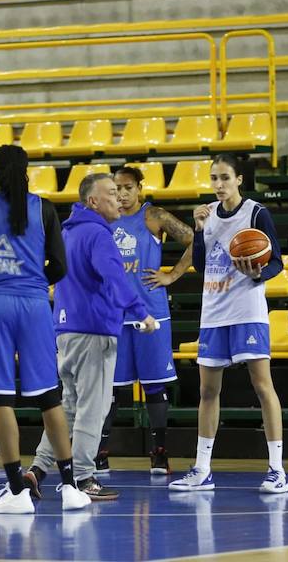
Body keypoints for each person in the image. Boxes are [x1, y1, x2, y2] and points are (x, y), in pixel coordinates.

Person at [0, 145, 90, 514]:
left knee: (2, 398)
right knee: (49, 396)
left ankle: (17, 492)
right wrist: (32, 279)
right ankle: (69, 488)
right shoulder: (44, 208)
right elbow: (60, 266)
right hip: (34, 305)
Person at [24, 172, 157, 501]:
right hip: (94, 330)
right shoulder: (99, 234)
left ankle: (37, 470)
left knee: (68, 408)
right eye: (111, 193)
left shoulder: (69, 232)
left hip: (66, 330)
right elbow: (115, 275)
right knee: (93, 409)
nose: (119, 198)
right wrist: (142, 312)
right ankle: (82, 477)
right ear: (93, 201)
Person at [167, 154, 288, 494]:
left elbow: (277, 260)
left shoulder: (256, 213)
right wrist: (199, 230)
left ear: (239, 180)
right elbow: (202, 268)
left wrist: (260, 273)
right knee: (207, 391)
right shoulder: (207, 215)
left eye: (224, 178)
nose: (218, 184)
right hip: (213, 312)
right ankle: (202, 469)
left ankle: (277, 470)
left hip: (247, 310)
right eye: (214, 178)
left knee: (263, 386)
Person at [94, 165, 193, 475]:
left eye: (127, 187)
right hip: (113, 314)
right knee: (110, 389)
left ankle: (159, 452)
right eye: (117, 188)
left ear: (139, 188)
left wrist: (172, 275)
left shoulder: (155, 217)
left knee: (154, 386)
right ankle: (100, 452)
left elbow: (195, 240)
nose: (122, 194)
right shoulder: (102, 220)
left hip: (151, 311)